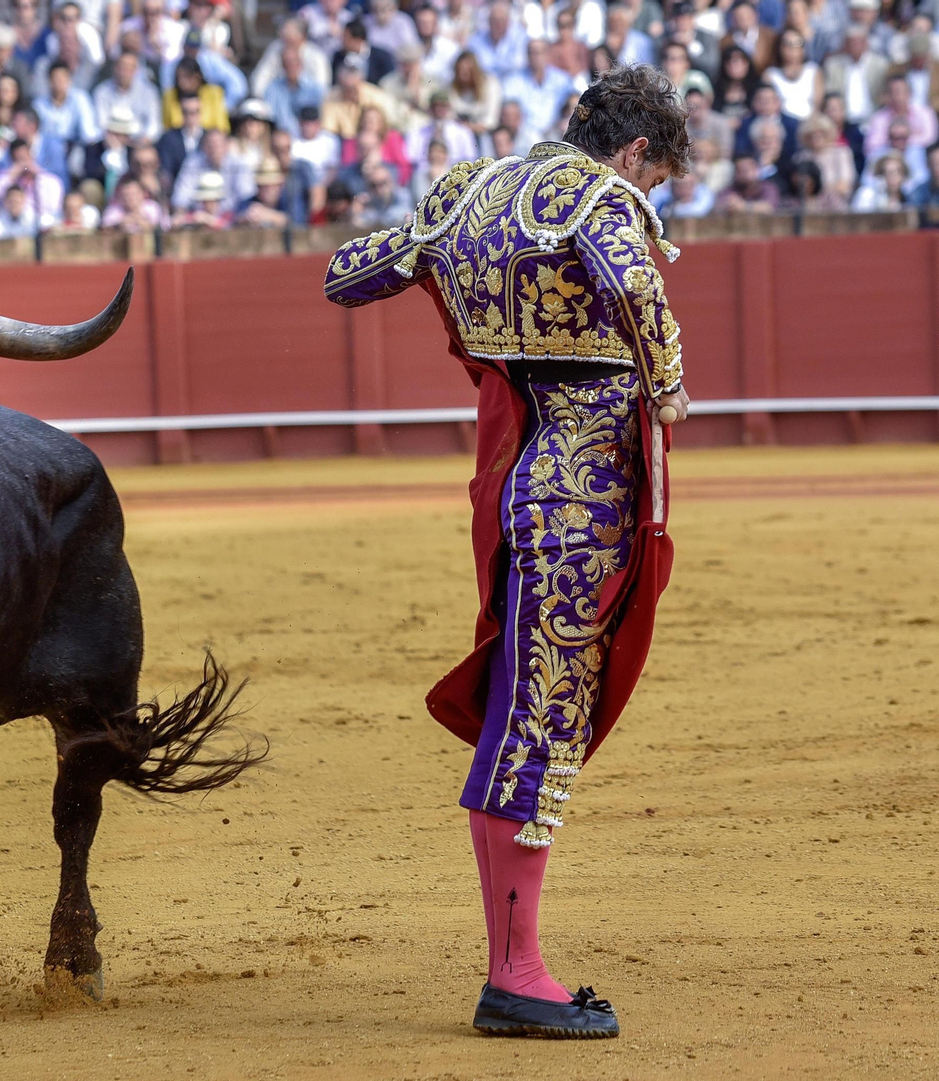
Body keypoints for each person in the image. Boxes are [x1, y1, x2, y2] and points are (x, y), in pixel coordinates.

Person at [323, 64, 690, 1040]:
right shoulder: (600, 196)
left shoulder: (464, 188)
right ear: (634, 152)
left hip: (511, 477)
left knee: (524, 707)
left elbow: (348, 275)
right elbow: (626, 280)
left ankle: (514, 962)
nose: (647, 200)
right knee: (536, 718)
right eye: (655, 183)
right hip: (581, 494)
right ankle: (515, 975)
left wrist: (433, 250)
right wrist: (667, 386)